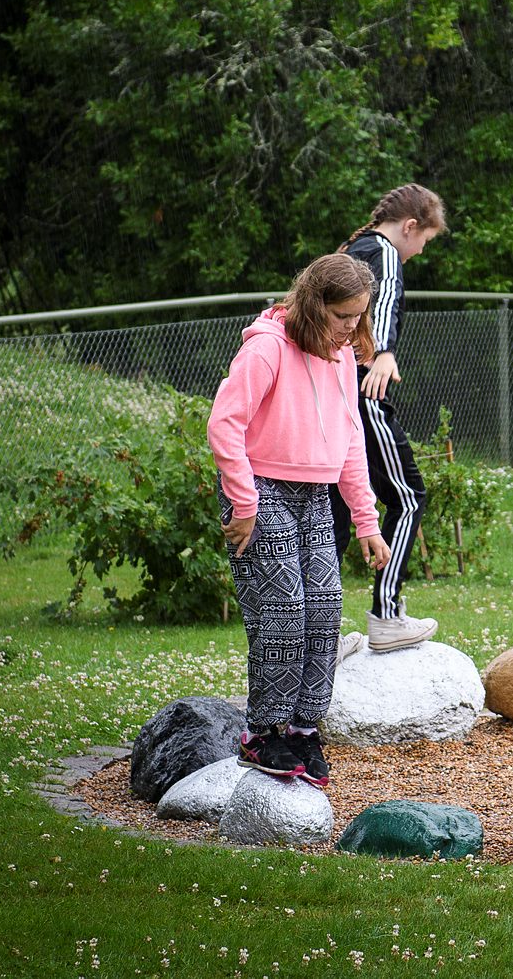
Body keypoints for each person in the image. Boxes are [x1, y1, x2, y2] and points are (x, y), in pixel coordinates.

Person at [208, 254, 394, 786]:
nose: (352, 328)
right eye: (343, 317)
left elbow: (350, 438)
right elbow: (225, 425)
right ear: (314, 308)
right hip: (261, 492)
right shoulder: (267, 348)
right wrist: (244, 504)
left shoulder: (343, 355)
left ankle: (303, 731)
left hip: (314, 494)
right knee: (284, 608)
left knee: (326, 606)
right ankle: (262, 733)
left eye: (360, 316)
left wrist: (366, 520)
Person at [331, 183, 447, 654]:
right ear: (410, 226)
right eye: (425, 241)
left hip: (336, 399)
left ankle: (320, 634)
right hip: (365, 396)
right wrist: (382, 353)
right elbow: (379, 308)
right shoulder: (383, 252)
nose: (420, 251)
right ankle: (386, 615)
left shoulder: (354, 249)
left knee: (335, 513)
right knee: (408, 495)